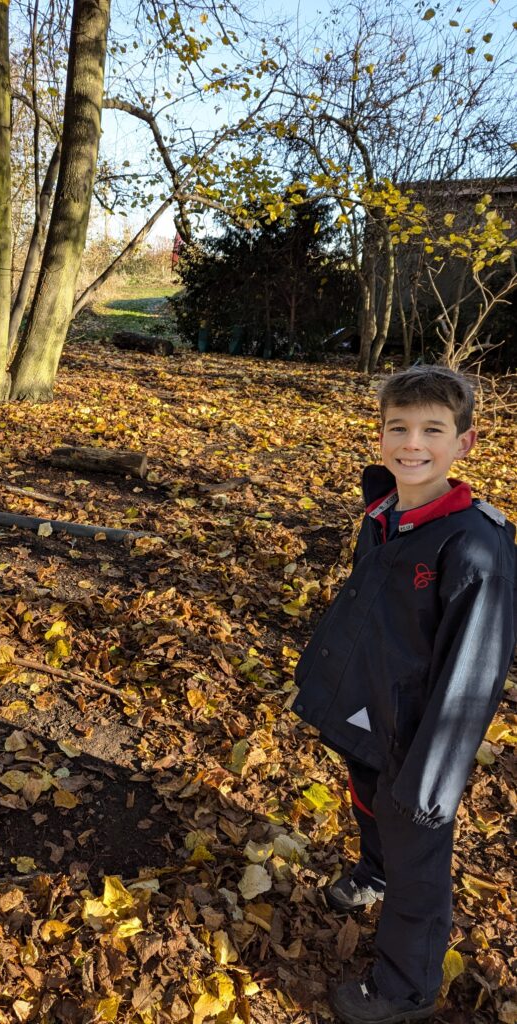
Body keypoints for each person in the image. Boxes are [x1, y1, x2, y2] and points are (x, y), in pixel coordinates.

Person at [292, 366, 516, 1024]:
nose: (411, 444)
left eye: (430, 430)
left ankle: (406, 987)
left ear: (464, 442)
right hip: (367, 705)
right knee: (366, 798)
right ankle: (374, 869)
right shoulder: (385, 513)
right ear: (380, 432)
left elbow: (474, 671)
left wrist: (433, 778)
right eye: (398, 428)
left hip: (419, 737)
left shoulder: (472, 546)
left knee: (416, 849)